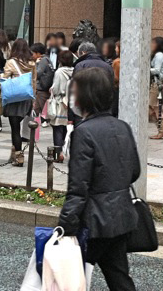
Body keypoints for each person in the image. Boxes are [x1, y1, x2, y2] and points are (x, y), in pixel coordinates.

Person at [58, 68, 141, 291]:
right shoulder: (122, 126)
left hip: (94, 221)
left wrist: (65, 225)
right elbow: (134, 171)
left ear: (86, 96)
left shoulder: (84, 132)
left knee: (70, 279)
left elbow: (79, 187)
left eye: (75, 93)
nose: (73, 98)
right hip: (121, 216)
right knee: (119, 277)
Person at [2, 39, 37, 167]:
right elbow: (34, 81)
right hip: (26, 97)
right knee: (19, 125)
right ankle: (14, 154)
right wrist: (33, 98)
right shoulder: (32, 63)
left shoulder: (10, 62)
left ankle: (18, 156)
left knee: (15, 128)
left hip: (14, 98)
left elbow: (5, 78)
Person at [49, 50, 74, 160]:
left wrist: (51, 90)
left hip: (60, 102)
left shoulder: (59, 72)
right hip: (71, 102)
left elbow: (56, 89)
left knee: (57, 128)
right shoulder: (75, 70)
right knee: (65, 128)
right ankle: (64, 150)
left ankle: (58, 153)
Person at [149, 36, 163, 139]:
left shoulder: (159, 55)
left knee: (155, 108)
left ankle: (161, 130)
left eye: (153, 43)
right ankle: (161, 129)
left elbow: (156, 70)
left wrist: (145, 68)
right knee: (155, 108)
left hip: (157, 84)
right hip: (156, 84)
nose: (151, 45)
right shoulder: (157, 55)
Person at [32, 42, 54, 129]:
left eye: (33, 53)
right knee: (37, 108)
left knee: (40, 107)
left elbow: (37, 73)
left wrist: (35, 64)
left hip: (42, 88)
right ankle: (36, 121)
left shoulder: (42, 60)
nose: (32, 55)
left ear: (38, 53)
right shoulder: (48, 59)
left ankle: (44, 121)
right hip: (45, 87)